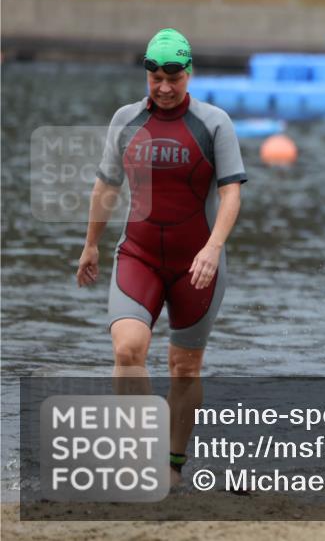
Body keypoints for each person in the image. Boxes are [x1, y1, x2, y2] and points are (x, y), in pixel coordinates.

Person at [76, 28, 246, 485]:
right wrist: (91, 244)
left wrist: (213, 249)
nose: (165, 87)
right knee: (128, 348)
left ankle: (172, 465)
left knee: (184, 367)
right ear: (146, 74)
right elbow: (106, 187)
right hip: (139, 254)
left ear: (189, 74)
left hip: (199, 263)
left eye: (175, 76)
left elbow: (231, 195)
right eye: (156, 77)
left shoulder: (214, 124)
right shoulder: (125, 120)